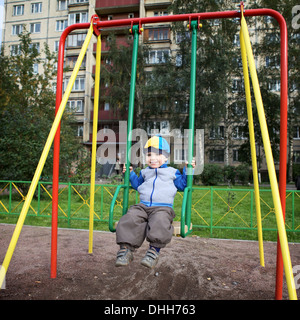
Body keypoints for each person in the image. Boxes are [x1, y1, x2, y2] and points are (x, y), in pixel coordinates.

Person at [115, 135, 195, 269]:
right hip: (143, 206)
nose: (152, 158)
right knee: (130, 217)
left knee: (160, 221)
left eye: (158, 154)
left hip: (163, 208)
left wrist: (188, 170)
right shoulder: (145, 172)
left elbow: (183, 184)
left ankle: (153, 251)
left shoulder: (172, 172)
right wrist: (130, 174)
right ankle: (126, 250)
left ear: (166, 157)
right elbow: (137, 185)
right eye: (149, 155)